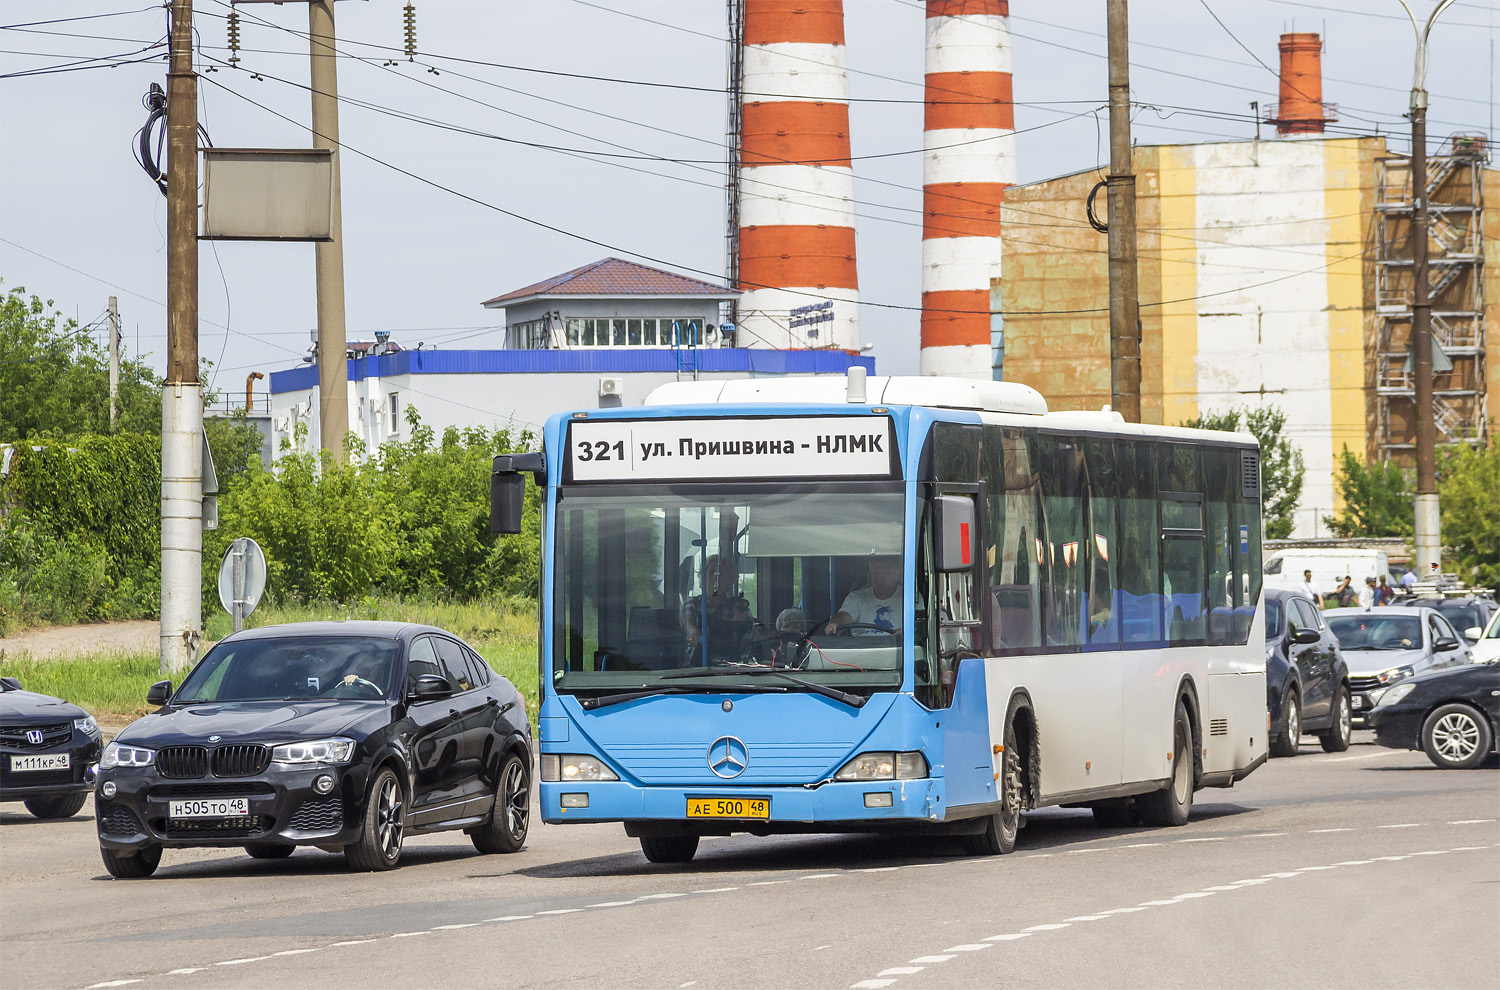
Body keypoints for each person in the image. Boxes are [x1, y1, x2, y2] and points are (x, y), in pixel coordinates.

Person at [681, 554, 756, 657]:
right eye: (712, 572)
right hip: (697, 666)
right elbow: (688, 623)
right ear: (702, 578)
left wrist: (739, 626)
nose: (716, 577)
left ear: (730, 581)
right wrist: (693, 632)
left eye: (721, 573)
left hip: (733, 665)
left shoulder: (739, 606)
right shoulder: (692, 605)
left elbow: (752, 634)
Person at [825, 556, 903, 636]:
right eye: (875, 572)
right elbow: (845, 616)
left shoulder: (907, 597)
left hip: (897, 647)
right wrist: (835, 623)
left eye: (884, 572)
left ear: (897, 573)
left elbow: (915, 628)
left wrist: (907, 633)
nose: (879, 577)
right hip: (861, 647)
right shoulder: (857, 597)